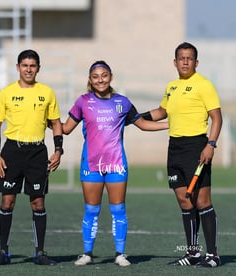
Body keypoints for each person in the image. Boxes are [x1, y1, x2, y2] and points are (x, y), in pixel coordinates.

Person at [62, 60, 169, 267]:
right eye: (95, 76)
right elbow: (66, 128)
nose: (100, 79)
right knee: (91, 211)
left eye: (104, 75)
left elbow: (143, 124)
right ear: (90, 80)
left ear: (110, 77)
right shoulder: (83, 102)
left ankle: (120, 254)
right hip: (91, 165)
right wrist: (42, 119)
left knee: (118, 210)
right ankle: (87, 253)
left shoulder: (123, 102)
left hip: (116, 164)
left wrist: (172, 125)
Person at [141, 42, 222, 268]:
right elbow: (162, 111)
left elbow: (217, 117)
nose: (185, 62)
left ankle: (213, 254)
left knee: (202, 201)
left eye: (189, 58)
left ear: (196, 62)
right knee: (184, 201)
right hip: (174, 148)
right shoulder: (172, 86)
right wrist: (136, 117)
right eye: (181, 58)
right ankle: (194, 253)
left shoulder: (203, 85)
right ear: (174, 62)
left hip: (197, 147)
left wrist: (211, 145)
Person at [0, 49, 63, 266]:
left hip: (37, 152)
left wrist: (58, 149)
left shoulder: (47, 92)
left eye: (32, 65)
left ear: (38, 68)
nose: (28, 69)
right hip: (12, 151)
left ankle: (40, 252)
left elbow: (56, 123)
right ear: (18, 67)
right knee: (7, 201)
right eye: (24, 65)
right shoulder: (7, 92)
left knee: (38, 203)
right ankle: (3, 251)